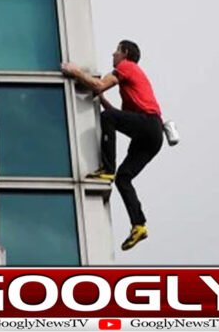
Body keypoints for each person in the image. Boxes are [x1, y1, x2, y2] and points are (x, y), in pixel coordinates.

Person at [61, 40, 163, 251]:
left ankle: (107, 169)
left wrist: (75, 71)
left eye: (116, 50)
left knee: (107, 118)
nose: (113, 54)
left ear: (124, 53)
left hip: (148, 125)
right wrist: (102, 100)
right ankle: (139, 225)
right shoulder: (133, 83)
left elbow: (99, 85)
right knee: (123, 178)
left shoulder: (127, 66)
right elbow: (120, 115)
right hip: (152, 135)